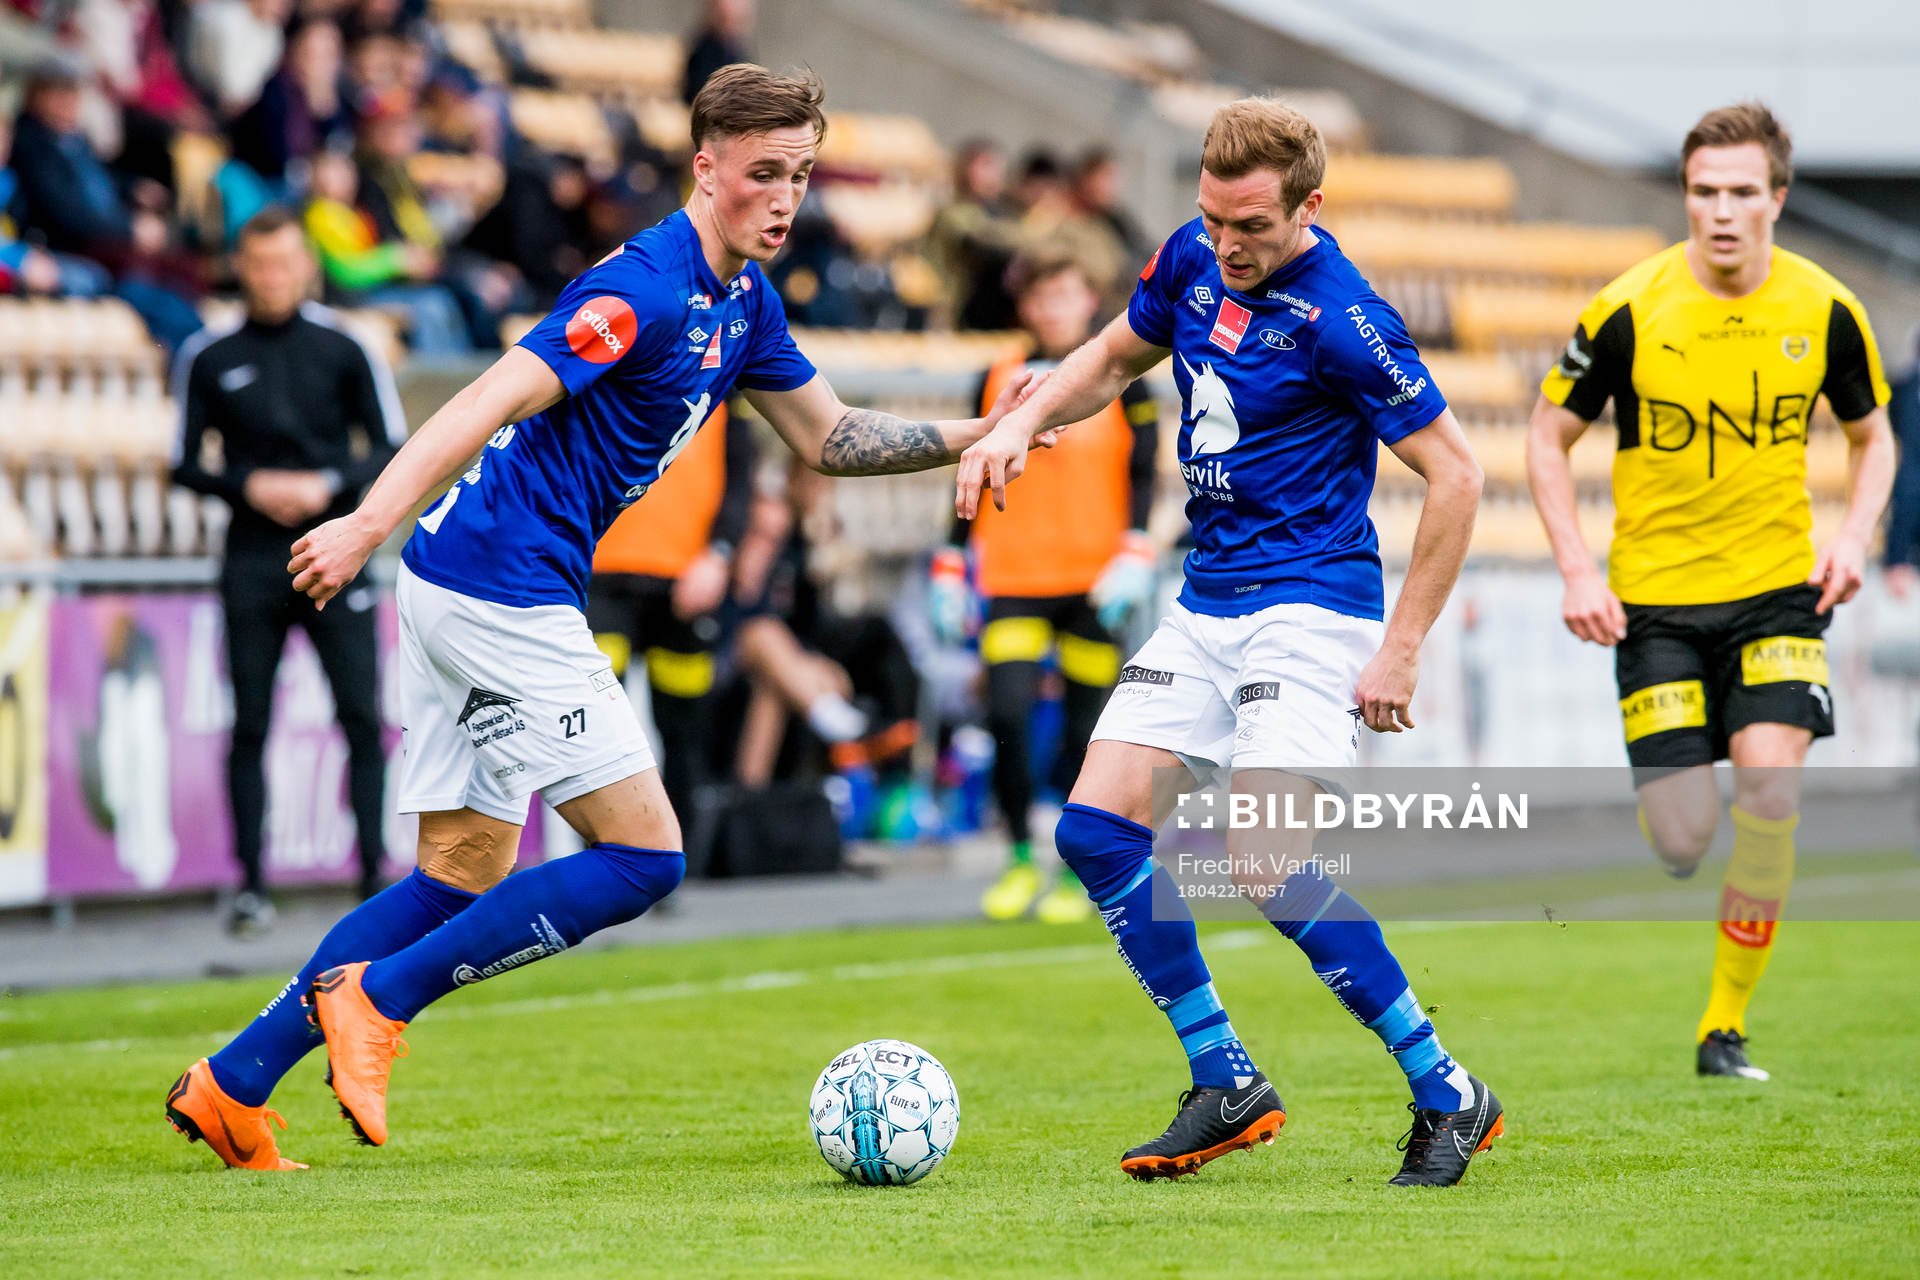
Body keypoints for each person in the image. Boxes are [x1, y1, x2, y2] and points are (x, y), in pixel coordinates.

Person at [164, 64, 1045, 1171]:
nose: (784, 198)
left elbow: (828, 436)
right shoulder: (644, 290)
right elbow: (490, 393)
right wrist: (362, 523)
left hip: (466, 575)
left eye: (801, 175)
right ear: (705, 168)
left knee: (456, 873)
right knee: (643, 856)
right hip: (500, 585)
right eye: (764, 173)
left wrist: (980, 432)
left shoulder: (745, 301)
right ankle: (376, 1001)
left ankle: (233, 1083)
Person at [955, 97, 1498, 1187]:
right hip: (1206, 604)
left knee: (1264, 861)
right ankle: (1225, 1074)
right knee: (1095, 833)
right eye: (1213, 219)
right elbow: (1113, 356)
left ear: (1309, 207)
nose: (1227, 244)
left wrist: (1401, 646)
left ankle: (1447, 1088)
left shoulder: (1346, 320)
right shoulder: (1190, 261)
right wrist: (1020, 421)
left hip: (1310, 607)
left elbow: (1458, 474)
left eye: (1250, 225)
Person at [1527, 103, 1894, 1082]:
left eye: (1741, 192)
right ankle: (1682, 819)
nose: (1721, 211)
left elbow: (1873, 437)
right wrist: (1576, 568)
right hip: (1653, 604)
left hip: (1779, 591)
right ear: (1686, 196)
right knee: (1684, 836)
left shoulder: (1827, 309)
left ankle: (1723, 1028)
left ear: (1778, 197)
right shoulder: (1627, 309)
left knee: (1770, 789)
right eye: (1703, 192)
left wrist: (1853, 534)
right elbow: (1547, 436)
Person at [169, 205, 408, 930]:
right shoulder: (208, 354)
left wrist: (327, 484)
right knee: (249, 722)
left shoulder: (346, 346)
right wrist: (248, 485)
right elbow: (182, 462)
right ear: (241, 268)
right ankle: (250, 884)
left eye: (284, 264)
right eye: (260, 265)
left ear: (306, 267)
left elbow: (391, 446)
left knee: (361, 716)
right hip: (251, 560)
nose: (272, 278)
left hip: (335, 557)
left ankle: (373, 877)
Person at [931, 253, 1158, 924]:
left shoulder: (1123, 374)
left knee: (1087, 732)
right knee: (1007, 713)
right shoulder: (997, 377)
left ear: (1088, 299)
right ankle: (1018, 856)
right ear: (1025, 305)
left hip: (1095, 584)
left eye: (1066, 293)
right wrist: (951, 558)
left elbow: (1144, 469)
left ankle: (1073, 867)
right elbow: (971, 460)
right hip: (1015, 578)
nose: (1054, 307)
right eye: (1042, 296)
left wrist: (1137, 546)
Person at [587, 402, 754, 823]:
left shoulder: (724, 381)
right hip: (603, 578)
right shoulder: (598, 372)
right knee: (599, 731)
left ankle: (677, 853)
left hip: (687, 583)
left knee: (685, 735)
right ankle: (606, 851)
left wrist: (719, 555)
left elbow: (740, 478)